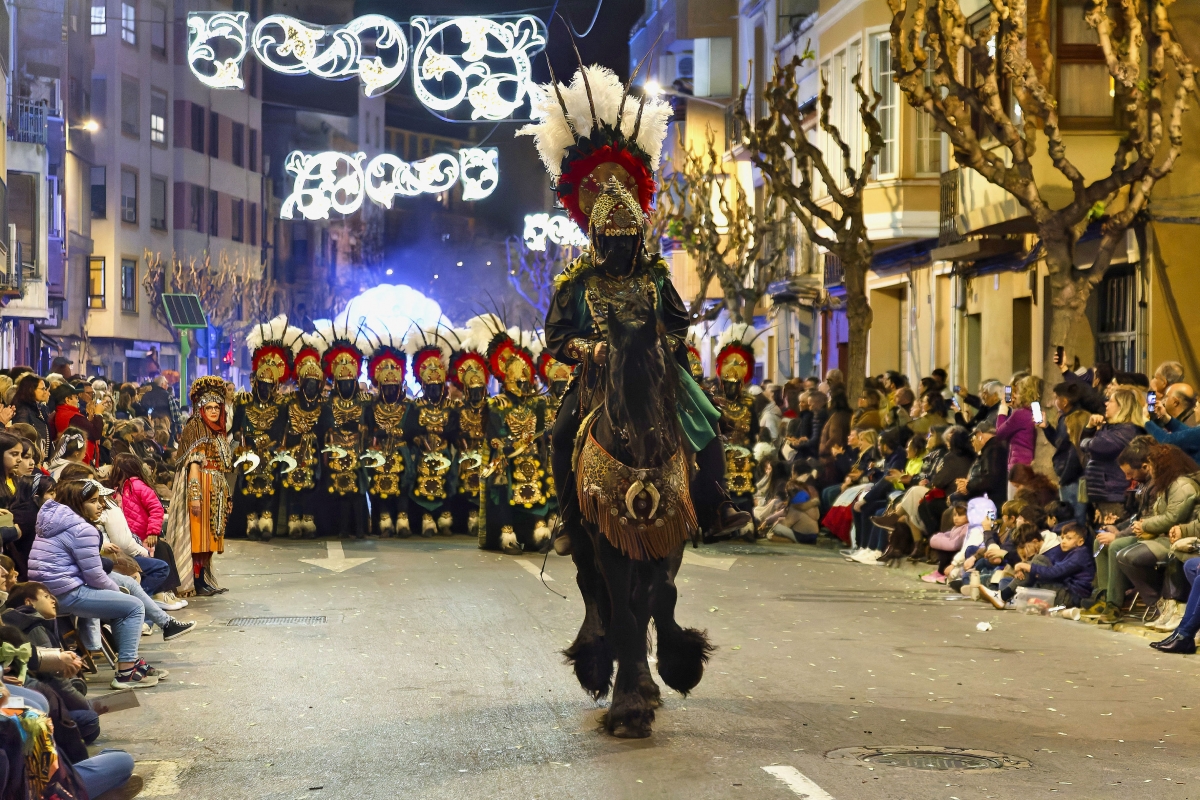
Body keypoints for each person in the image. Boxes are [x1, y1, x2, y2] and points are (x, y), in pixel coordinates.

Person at [27, 480, 158, 688]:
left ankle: (129, 660)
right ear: (77, 503)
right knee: (133, 605)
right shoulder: (82, 529)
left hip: (45, 591)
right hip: (65, 593)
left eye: (100, 501)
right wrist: (119, 594)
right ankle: (126, 672)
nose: (100, 506)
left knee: (120, 604)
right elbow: (95, 576)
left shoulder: (52, 521)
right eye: (93, 501)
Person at [231, 316, 301, 541]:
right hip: (249, 452)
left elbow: (286, 429)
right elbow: (235, 429)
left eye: (269, 386)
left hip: (271, 453)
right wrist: (242, 442)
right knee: (248, 489)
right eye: (262, 385)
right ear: (255, 383)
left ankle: (267, 522)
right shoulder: (243, 402)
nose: (265, 389)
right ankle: (251, 523)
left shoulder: (282, 406)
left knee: (270, 489)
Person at [163, 376, 232, 597]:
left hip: (215, 489)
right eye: (209, 407)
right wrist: (194, 496)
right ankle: (193, 580)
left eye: (217, 407)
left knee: (210, 539)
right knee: (197, 538)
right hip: (200, 487)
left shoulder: (216, 430)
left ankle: (202, 578)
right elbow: (192, 465)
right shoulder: (196, 427)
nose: (213, 411)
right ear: (201, 408)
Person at [1081, 386, 1147, 521]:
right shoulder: (1111, 428)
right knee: (1101, 536)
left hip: (1115, 495)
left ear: (1122, 407)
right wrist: (1090, 427)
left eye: (1110, 401)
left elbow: (1097, 446)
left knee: (1110, 534)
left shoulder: (1127, 431)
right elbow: (1085, 445)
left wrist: (1089, 442)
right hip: (1103, 494)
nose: (1106, 404)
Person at [11, 375, 50, 462]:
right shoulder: (23, 409)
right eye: (42, 389)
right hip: (30, 459)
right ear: (31, 389)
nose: (45, 392)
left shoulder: (40, 408)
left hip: (41, 459)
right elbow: (23, 436)